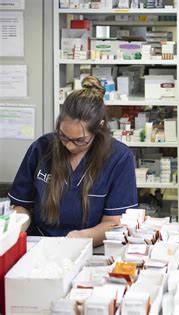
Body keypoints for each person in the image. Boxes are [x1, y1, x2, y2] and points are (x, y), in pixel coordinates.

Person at [8, 76, 138, 246]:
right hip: (38, 243)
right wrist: (15, 227)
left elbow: (114, 222)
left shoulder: (119, 158)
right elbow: (23, 206)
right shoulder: (41, 148)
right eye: (63, 136)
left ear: (99, 127)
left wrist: (77, 239)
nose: (69, 146)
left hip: (89, 248)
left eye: (79, 140)